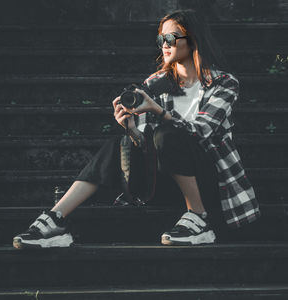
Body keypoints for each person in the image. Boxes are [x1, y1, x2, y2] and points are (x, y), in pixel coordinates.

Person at [13, 9, 261, 249]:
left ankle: (200, 217)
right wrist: (131, 130)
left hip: (209, 181)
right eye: (160, 38)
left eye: (171, 38)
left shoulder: (223, 83)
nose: (164, 43)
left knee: (167, 135)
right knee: (118, 144)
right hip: (164, 182)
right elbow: (147, 145)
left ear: (193, 40)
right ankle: (56, 220)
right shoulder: (155, 83)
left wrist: (159, 112)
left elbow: (202, 131)